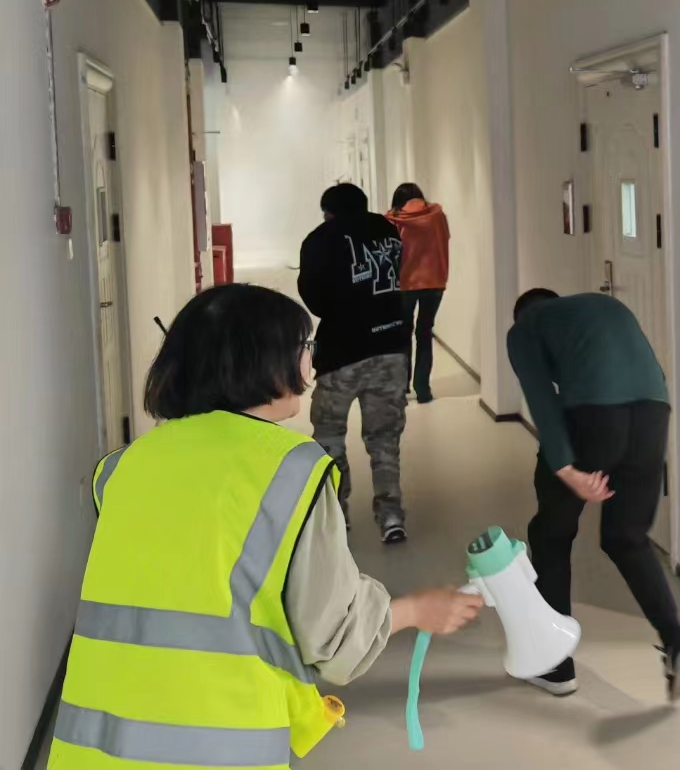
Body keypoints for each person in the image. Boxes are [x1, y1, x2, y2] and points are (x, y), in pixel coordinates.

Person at [49, 284, 483, 770]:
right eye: (305, 346)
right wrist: (416, 610)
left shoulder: (119, 469)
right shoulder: (292, 471)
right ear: (262, 360)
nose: (312, 363)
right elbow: (335, 639)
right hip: (216, 751)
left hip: (88, 751)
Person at [506, 288, 680, 701]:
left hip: (594, 414)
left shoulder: (524, 329)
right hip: (652, 414)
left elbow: (542, 400)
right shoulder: (603, 308)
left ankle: (555, 665)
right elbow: (651, 375)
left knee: (550, 535)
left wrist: (567, 470)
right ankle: (676, 640)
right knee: (626, 537)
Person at [299, 183, 411, 543]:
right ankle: (391, 516)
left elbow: (315, 300)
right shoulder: (387, 230)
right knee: (384, 440)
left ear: (328, 212)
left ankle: (337, 516)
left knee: (329, 436)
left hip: (341, 355)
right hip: (391, 348)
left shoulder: (319, 239)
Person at [386, 182, 450, 404]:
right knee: (425, 332)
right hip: (434, 281)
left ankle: (400, 388)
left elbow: (389, 252)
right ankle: (423, 389)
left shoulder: (394, 219)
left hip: (405, 284)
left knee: (403, 333)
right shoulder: (438, 216)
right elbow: (445, 240)